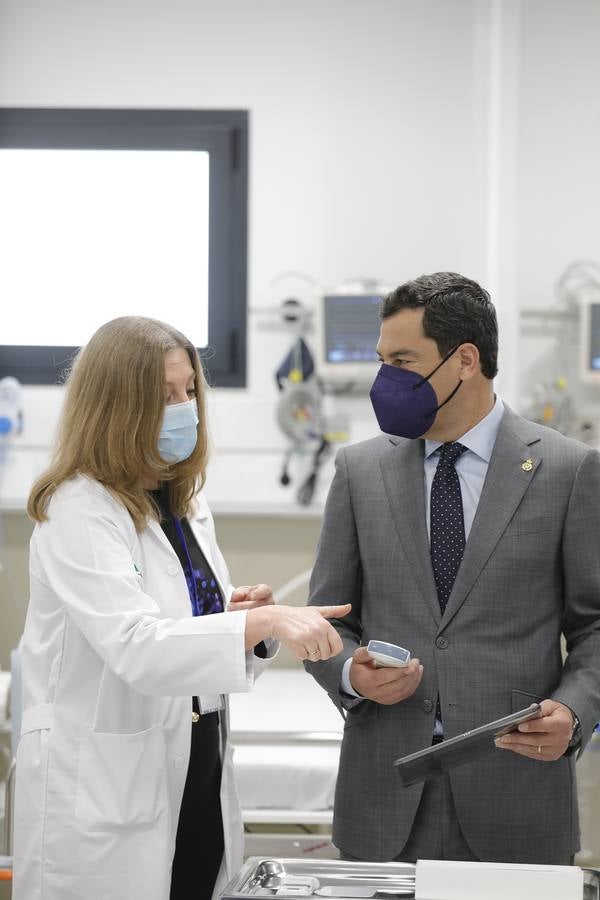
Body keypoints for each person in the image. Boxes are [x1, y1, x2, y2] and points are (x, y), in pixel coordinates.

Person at [12, 316, 350, 900]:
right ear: (117, 407)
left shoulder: (184, 506)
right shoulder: (79, 509)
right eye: (164, 396)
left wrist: (240, 619)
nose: (184, 408)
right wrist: (257, 623)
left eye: (188, 390)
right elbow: (139, 648)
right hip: (107, 793)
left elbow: (189, 636)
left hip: (196, 765)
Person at [305, 272, 600, 866]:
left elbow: (594, 627)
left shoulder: (568, 471)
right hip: (384, 796)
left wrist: (573, 712)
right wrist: (350, 676)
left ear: (465, 360)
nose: (386, 379)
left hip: (515, 791)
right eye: (382, 360)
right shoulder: (360, 471)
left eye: (403, 360)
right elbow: (328, 620)